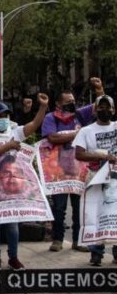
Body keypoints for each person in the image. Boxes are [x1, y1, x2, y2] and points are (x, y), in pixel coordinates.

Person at [0, 93, 48, 271]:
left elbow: (34, 125)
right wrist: (9, 145)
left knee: (12, 226)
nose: (4, 119)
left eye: (6, 115)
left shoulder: (15, 132)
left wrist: (43, 107)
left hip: (12, 189)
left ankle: (13, 257)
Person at [42, 79, 103, 253]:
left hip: (79, 171)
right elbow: (52, 138)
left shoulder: (79, 115)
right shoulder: (50, 118)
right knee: (59, 208)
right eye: (68, 102)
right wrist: (78, 133)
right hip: (58, 173)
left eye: (73, 101)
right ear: (58, 104)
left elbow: (100, 105)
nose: (72, 104)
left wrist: (99, 89)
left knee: (79, 207)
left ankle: (78, 241)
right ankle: (57, 239)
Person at [73, 94, 117, 266]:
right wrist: (102, 155)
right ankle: (96, 253)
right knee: (95, 213)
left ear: (113, 110)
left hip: (115, 178)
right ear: (95, 110)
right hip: (95, 177)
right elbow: (79, 154)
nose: (104, 110)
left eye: (108, 107)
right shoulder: (86, 131)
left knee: (114, 215)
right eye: (101, 107)